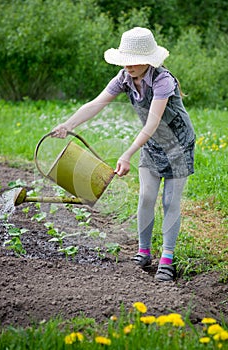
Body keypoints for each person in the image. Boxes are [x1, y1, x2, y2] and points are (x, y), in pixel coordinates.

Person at [52, 27, 195, 282]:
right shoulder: (123, 78)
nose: (128, 65)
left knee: (170, 202)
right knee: (146, 196)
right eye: (125, 59)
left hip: (178, 146)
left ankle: (167, 258)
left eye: (134, 60)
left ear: (148, 60)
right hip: (152, 146)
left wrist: (127, 154)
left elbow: (152, 124)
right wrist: (68, 125)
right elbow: (95, 103)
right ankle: (143, 251)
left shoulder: (163, 80)